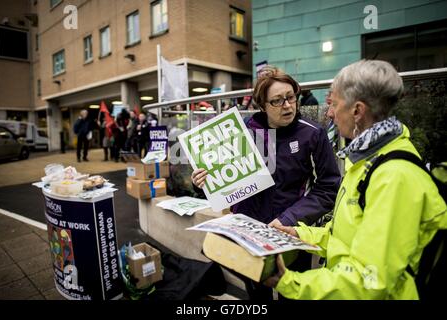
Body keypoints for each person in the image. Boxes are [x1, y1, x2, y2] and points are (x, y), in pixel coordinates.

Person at [264, 60, 447, 299]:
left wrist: (288, 282)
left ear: (357, 111)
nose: (329, 113)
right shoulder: (365, 160)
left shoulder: (394, 177)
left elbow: (370, 282)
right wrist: (301, 235)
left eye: (334, 104)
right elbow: (345, 235)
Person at [191, 66, 341, 299]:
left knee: (291, 293)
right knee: (257, 294)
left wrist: (289, 219)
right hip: (248, 232)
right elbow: (224, 181)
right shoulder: (241, 133)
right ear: (262, 105)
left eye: (291, 97)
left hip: (292, 232)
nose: (288, 105)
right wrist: (203, 180)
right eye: (277, 101)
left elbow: (328, 188)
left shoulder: (312, 134)